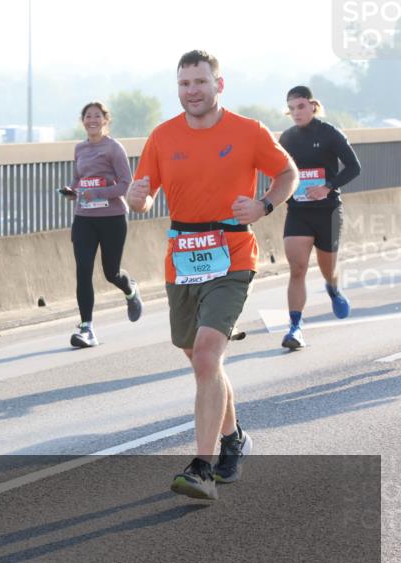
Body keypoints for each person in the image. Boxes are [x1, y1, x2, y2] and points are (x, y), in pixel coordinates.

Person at [127, 51, 298, 500]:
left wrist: (264, 204)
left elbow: (288, 172)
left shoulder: (248, 131)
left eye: (200, 82)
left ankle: (201, 467)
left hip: (232, 254)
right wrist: (136, 197)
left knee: (206, 357)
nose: (192, 91)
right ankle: (233, 438)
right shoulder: (163, 136)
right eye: (184, 84)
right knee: (200, 359)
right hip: (183, 258)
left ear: (219, 84)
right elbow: (143, 198)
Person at [278, 85, 361, 350]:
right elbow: (278, 171)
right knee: (297, 268)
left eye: (301, 106)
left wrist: (327, 186)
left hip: (328, 212)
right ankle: (295, 327)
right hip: (299, 212)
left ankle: (333, 289)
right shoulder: (287, 138)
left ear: (313, 106)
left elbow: (354, 167)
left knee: (328, 269)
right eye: (291, 109)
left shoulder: (329, 133)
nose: (296, 113)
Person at [59, 101, 142, 348]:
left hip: (112, 218)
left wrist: (97, 193)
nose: (92, 120)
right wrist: (72, 190)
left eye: (97, 116)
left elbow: (125, 184)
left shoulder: (113, 148)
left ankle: (130, 290)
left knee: (111, 273)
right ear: (83, 121)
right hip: (84, 218)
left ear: (105, 120)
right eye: (88, 116)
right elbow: (78, 179)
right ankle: (87, 329)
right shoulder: (80, 148)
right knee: (83, 271)